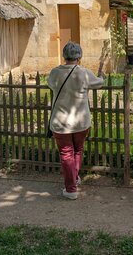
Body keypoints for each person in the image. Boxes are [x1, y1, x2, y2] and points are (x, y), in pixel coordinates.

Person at [48, 41, 104, 200]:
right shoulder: (85, 73)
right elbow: (99, 83)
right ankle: (74, 179)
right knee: (77, 150)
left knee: (66, 153)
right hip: (81, 122)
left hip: (61, 123)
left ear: (64, 56)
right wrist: (101, 76)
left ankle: (71, 188)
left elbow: (51, 84)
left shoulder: (55, 73)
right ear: (79, 57)